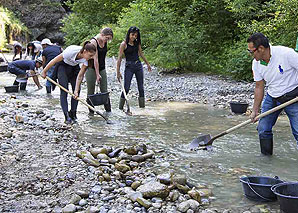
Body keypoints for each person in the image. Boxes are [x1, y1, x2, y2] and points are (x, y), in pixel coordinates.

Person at [248, 32, 298, 155]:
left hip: (293, 96)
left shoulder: (286, 54)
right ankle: (266, 161)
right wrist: (255, 110)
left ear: (260, 49)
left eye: (251, 51)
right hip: (272, 97)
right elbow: (259, 86)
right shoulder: (256, 63)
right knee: (263, 129)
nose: (250, 54)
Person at [41, 41, 96, 124]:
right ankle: (66, 116)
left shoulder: (87, 60)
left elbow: (80, 76)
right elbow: (54, 61)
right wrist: (44, 71)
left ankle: (73, 113)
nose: (91, 57)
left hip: (74, 68)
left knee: (76, 92)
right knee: (64, 90)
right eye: (90, 55)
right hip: (62, 67)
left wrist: (76, 90)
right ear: (84, 51)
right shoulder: (70, 52)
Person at [79, 28, 113, 116]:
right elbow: (95, 59)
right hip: (91, 68)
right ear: (102, 35)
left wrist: (100, 72)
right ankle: (91, 113)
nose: (107, 40)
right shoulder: (93, 42)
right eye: (107, 38)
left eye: (109, 38)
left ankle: (109, 112)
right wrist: (97, 74)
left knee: (104, 90)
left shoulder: (104, 42)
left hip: (102, 67)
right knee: (91, 91)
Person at [116, 26, 152, 109]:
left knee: (141, 88)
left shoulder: (137, 43)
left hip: (138, 65)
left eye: (136, 35)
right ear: (129, 34)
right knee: (126, 88)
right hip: (129, 67)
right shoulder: (123, 44)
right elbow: (119, 58)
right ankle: (120, 108)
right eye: (132, 35)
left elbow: (141, 54)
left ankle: (142, 108)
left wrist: (148, 64)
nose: (134, 37)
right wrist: (118, 72)